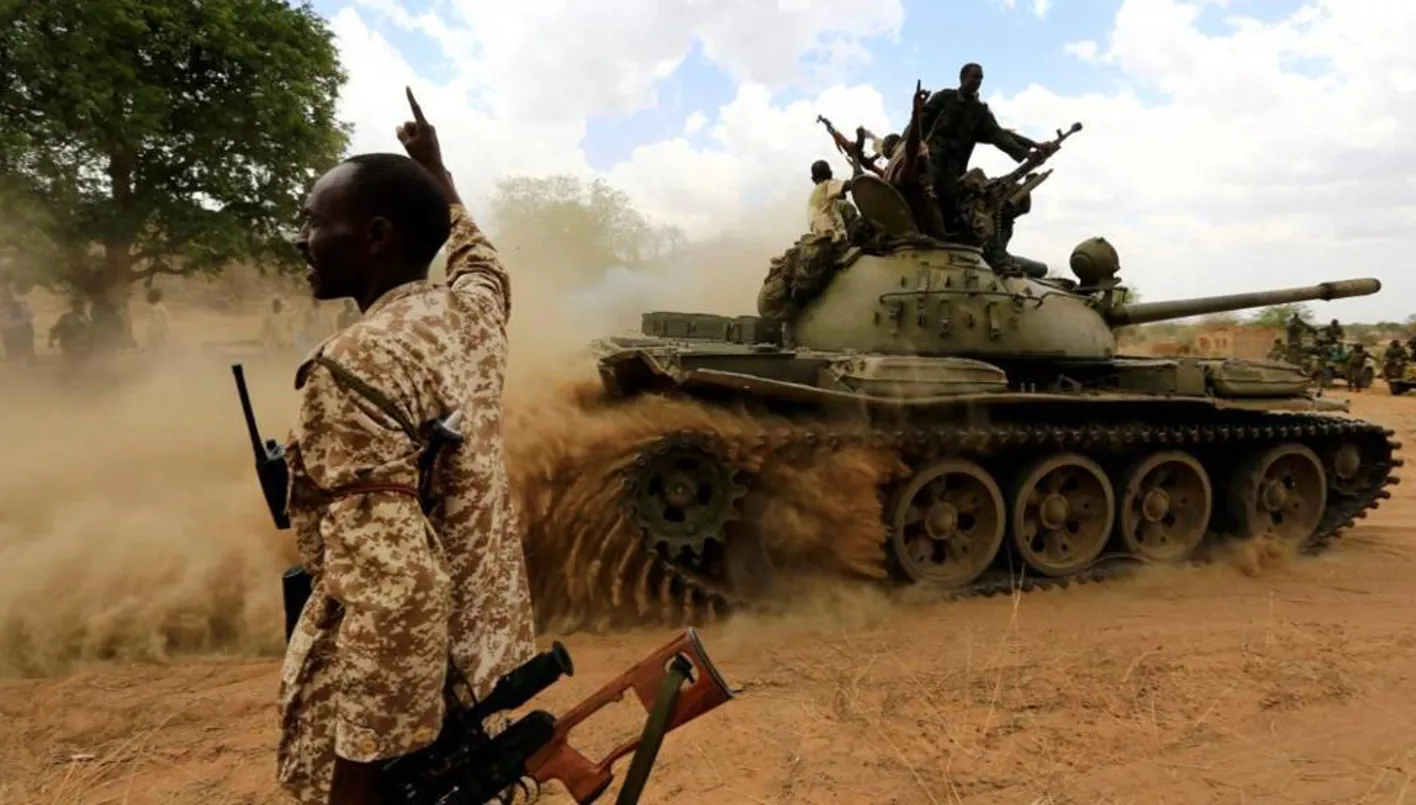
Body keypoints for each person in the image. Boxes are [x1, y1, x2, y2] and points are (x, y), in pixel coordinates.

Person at [276, 88, 536, 805]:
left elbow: (398, 594)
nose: (301, 239)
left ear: (378, 236)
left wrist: (357, 781)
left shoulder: (353, 364)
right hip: (485, 662)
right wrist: (438, 171)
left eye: (314, 222)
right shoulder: (473, 315)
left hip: (413, 707)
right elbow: (483, 263)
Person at [918, 63, 1055, 236]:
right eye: (974, 77)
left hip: (955, 169)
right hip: (931, 160)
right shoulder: (945, 98)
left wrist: (1030, 150)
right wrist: (903, 145)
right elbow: (920, 121)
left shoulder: (980, 110)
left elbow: (999, 134)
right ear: (963, 78)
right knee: (925, 193)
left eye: (980, 78)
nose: (978, 81)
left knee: (953, 206)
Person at [806, 160, 856, 237]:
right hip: (830, 229)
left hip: (817, 233)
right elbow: (854, 183)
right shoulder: (827, 183)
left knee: (842, 204)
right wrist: (856, 161)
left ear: (813, 179)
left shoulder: (816, 194)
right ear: (830, 173)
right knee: (847, 206)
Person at [0, 284, 35, 364]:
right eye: (2, 295)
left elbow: (28, 317)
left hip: (22, 332)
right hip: (8, 334)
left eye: (5, 295)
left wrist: (13, 324)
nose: (3, 298)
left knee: (28, 354)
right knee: (12, 356)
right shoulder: (1, 307)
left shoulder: (21, 305)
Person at [144, 287, 171, 353]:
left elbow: (155, 320)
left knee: (157, 348)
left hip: (157, 330)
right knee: (159, 348)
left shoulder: (155, 308)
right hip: (158, 330)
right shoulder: (161, 307)